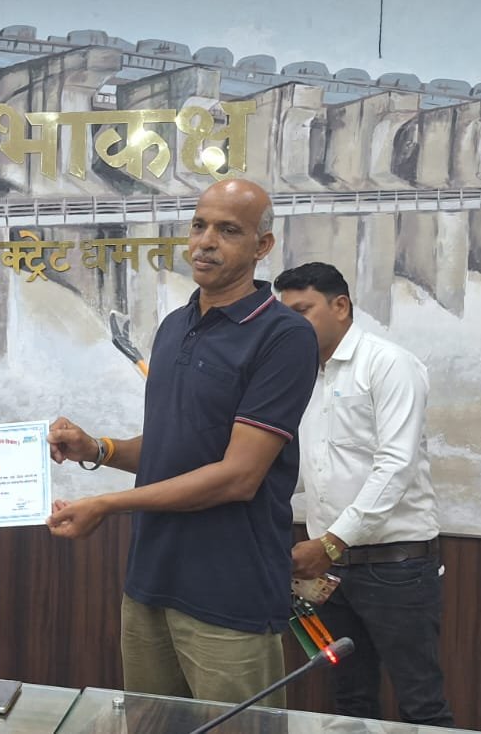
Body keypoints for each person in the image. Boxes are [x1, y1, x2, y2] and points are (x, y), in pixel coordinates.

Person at [46, 179, 319, 706]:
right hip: (149, 583)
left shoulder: (284, 336)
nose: (206, 242)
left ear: (262, 245)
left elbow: (238, 477)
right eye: (199, 226)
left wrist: (105, 504)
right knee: (149, 723)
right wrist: (96, 449)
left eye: (228, 230)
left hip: (229, 593)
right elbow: (173, 449)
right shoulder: (174, 327)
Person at [273, 262, 454, 726]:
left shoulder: (388, 364)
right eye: (285, 314)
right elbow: (308, 469)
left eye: (302, 310)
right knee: (350, 702)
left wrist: (331, 543)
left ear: (340, 306)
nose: (292, 324)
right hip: (329, 575)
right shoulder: (303, 376)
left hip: (396, 568)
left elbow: (395, 466)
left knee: (420, 704)